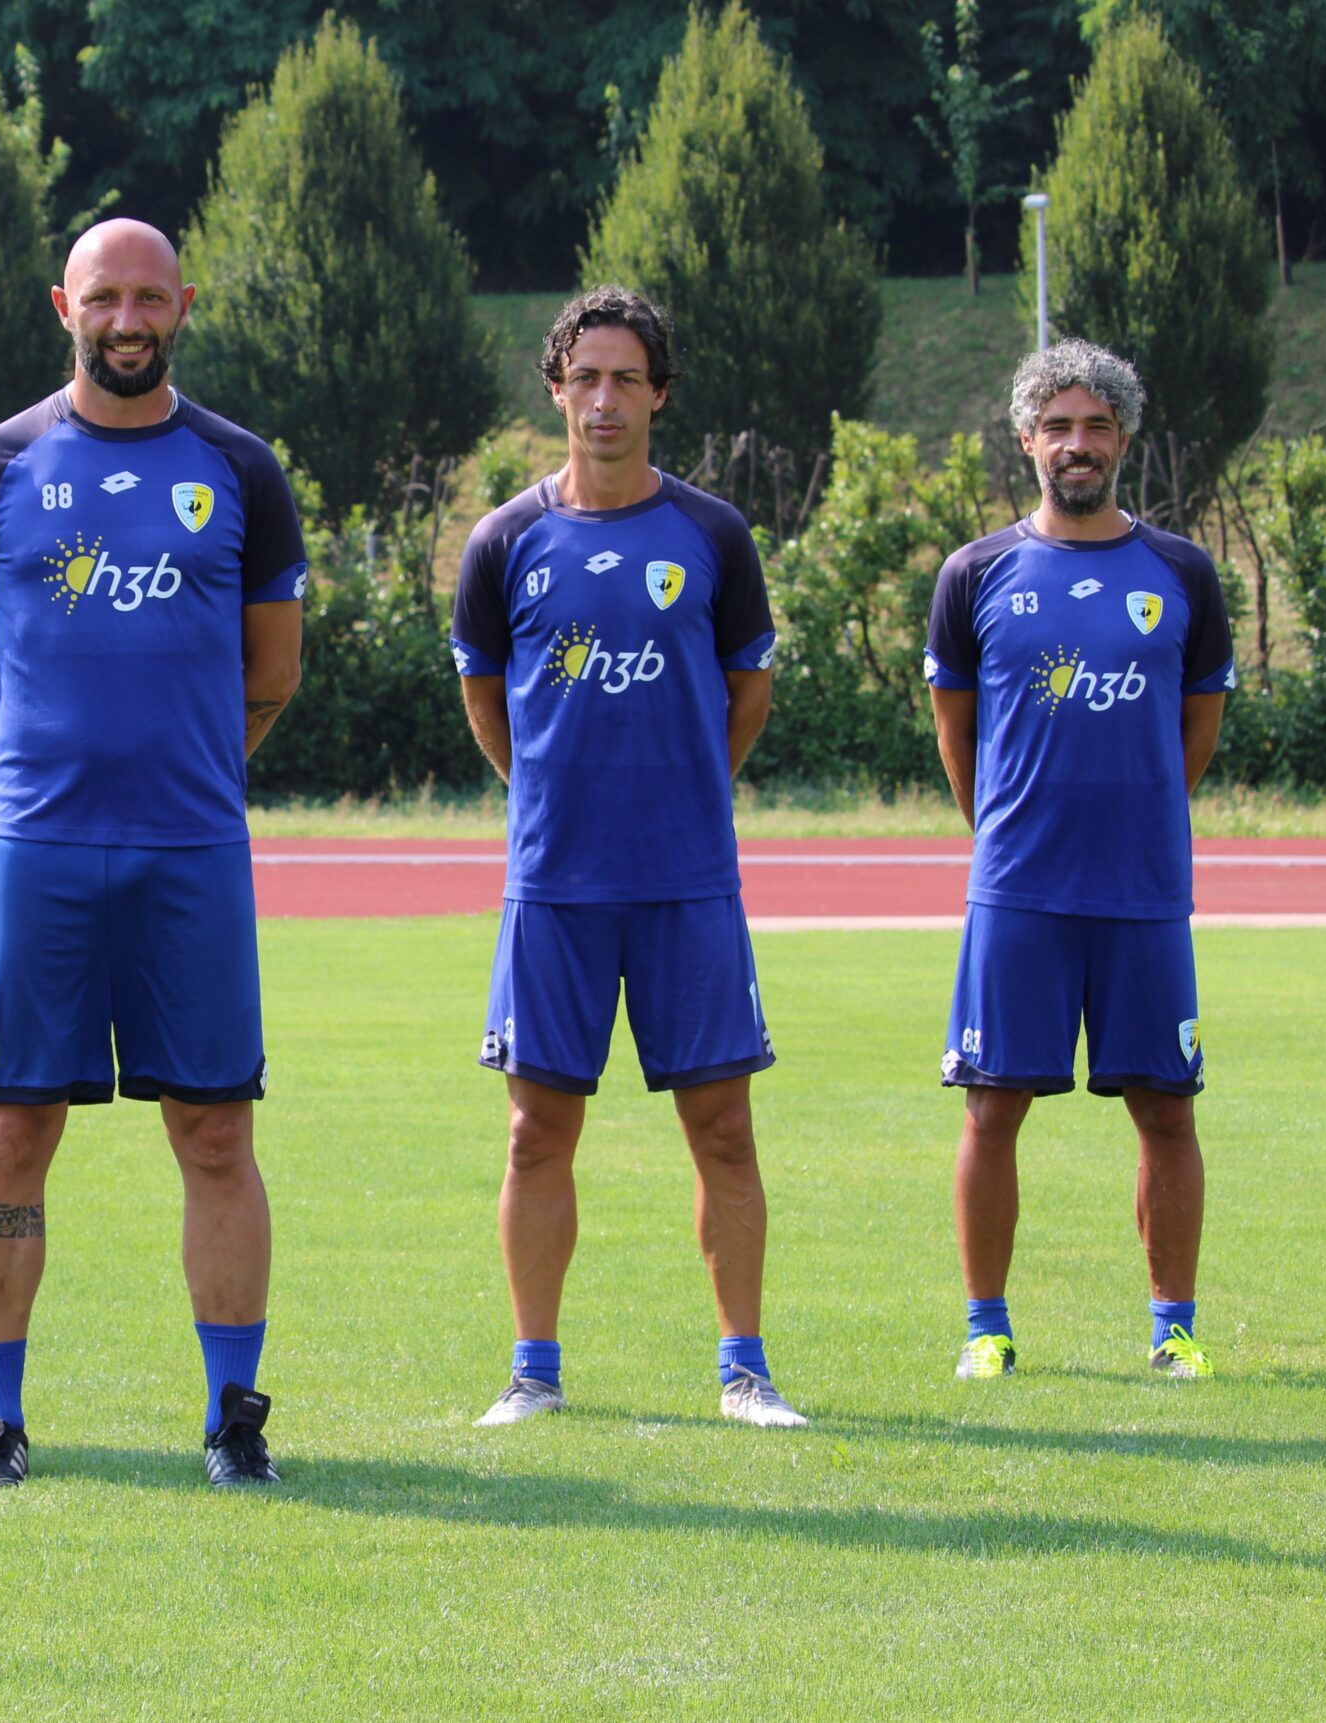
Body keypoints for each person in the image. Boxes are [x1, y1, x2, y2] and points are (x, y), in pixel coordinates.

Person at [0, 218, 306, 1490]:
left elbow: (271, 673)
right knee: (12, 1129)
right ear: (63, 306)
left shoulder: (241, 468)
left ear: (184, 304)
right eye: (104, 298)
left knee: (212, 1129)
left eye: (149, 297)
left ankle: (233, 1420)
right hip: (42, 850)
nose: (127, 319)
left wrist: (184, 765)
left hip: (192, 850)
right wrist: (37, 773)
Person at [449, 285, 806, 1431]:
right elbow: (486, 698)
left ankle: (744, 1371)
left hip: (687, 880)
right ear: (554, 389)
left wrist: (681, 785)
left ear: (659, 394)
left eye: (626, 379)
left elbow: (744, 695)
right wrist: (555, 795)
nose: (604, 400)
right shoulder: (505, 539)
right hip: (554, 884)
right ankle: (534, 1374)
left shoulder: (711, 535)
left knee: (724, 1131)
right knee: (535, 1131)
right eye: (583, 377)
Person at [925, 339, 1232, 1382]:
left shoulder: (1182, 573)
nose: (1077, 443)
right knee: (991, 1105)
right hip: (1019, 888)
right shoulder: (975, 573)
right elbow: (956, 733)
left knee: (1164, 1106)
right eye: (1057, 425)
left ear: (1124, 439)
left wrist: (1139, 812)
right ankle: (985, 1328)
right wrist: (1008, 828)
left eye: (1096, 425)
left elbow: (1195, 730)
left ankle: (1173, 1329)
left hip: (1143, 888)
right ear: (1026, 439)